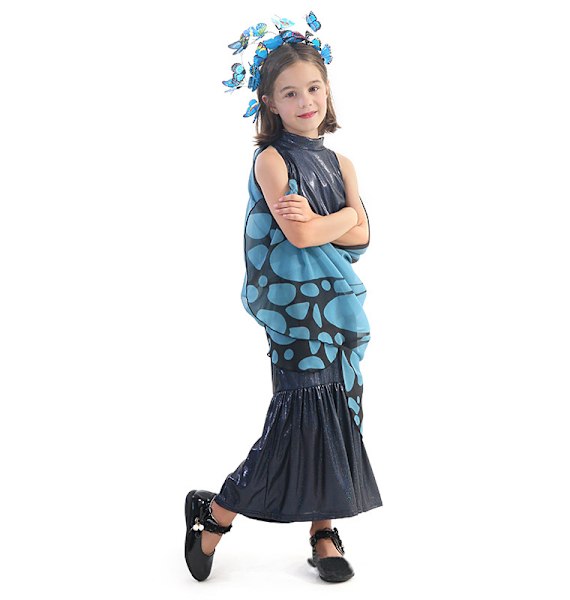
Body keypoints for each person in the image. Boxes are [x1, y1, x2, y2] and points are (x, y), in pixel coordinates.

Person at [185, 15, 383, 584]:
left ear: (328, 90)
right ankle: (216, 512)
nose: (305, 101)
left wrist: (329, 221)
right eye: (290, 93)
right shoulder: (272, 160)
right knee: (298, 417)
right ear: (269, 102)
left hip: (339, 309)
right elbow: (300, 236)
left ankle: (324, 531)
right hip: (297, 314)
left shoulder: (342, 163)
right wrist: (340, 219)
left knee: (340, 414)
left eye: (313, 88)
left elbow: (363, 237)